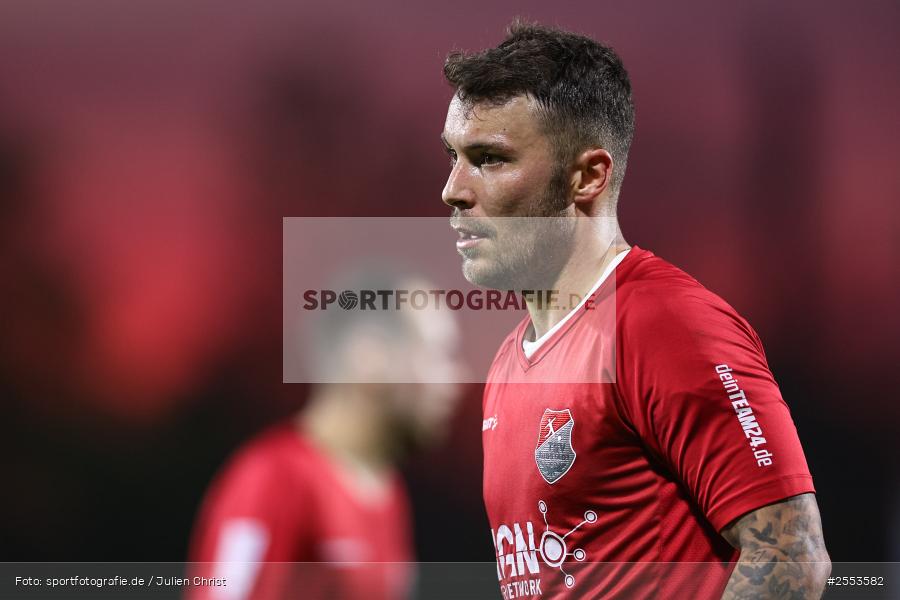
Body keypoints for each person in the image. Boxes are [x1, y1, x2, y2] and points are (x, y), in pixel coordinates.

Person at [440, 21, 830, 599]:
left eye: (489, 159)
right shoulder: (507, 363)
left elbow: (790, 556)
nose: (452, 188)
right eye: (453, 156)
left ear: (588, 176)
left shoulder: (663, 324)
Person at [187, 269, 462, 600]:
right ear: (370, 359)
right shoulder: (274, 480)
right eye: (436, 356)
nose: (456, 379)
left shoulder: (390, 496)